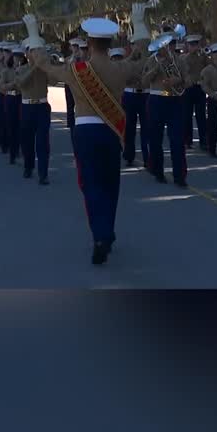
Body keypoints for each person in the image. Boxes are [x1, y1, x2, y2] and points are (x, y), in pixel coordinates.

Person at [34, 17, 142, 264]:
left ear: (90, 44)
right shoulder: (121, 68)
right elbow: (142, 59)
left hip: (85, 132)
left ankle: (100, 235)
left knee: (91, 184)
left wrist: (33, 34)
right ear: (110, 42)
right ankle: (108, 232)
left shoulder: (76, 70)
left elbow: (42, 64)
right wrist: (140, 24)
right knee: (110, 185)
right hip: (111, 132)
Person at [142, 32, 189, 187]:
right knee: (155, 139)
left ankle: (180, 176)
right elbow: (144, 81)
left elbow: (188, 80)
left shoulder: (180, 61)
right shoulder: (151, 60)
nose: (169, 48)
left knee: (177, 140)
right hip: (157, 99)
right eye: (166, 45)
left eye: (171, 44)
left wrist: (178, 79)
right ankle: (158, 171)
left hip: (175, 100)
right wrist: (156, 69)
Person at [14, 32, 52, 184]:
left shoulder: (44, 69)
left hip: (42, 106)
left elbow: (55, 80)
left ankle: (44, 173)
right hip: (27, 107)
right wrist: (35, 68)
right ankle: (28, 166)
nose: (35, 53)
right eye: (32, 50)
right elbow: (21, 83)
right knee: (27, 140)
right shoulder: (21, 69)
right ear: (27, 53)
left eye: (38, 50)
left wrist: (47, 65)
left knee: (43, 142)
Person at [120, 35, 150, 169]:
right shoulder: (126, 62)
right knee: (129, 128)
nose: (136, 48)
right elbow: (122, 70)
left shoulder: (149, 61)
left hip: (145, 95)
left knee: (146, 128)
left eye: (139, 45)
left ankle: (147, 158)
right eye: (133, 45)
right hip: (130, 95)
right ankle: (129, 155)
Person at [0, 45, 25, 163]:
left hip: (22, 99)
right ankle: (12, 152)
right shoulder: (6, 71)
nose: (17, 60)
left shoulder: (26, 69)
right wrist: (13, 83)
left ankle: (21, 150)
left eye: (20, 57)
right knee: (11, 126)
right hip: (11, 99)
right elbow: (1, 86)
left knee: (22, 127)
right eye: (15, 57)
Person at [181, 34, 209, 150]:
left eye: (196, 44)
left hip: (200, 88)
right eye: (191, 44)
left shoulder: (203, 57)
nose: (194, 47)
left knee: (201, 115)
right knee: (187, 116)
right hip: (188, 89)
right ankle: (188, 140)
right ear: (187, 45)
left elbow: (210, 67)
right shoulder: (184, 58)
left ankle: (203, 141)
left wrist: (205, 56)